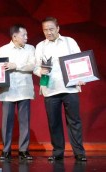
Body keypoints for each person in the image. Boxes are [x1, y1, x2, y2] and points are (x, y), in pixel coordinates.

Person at [33, 17, 87, 161]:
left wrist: (82, 76)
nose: (48, 32)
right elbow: (36, 66)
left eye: (51, 29)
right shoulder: (40, 46)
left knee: (74, 121)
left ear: (58, 28)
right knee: (54, 122)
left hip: (70, 88)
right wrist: (40, 72)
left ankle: (79, 152)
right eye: (45, 30)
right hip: (50, 89)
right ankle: (57, 152)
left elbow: (80, 60)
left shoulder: (70, 42)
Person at [0, 24, 35, 161]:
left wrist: (15, 66)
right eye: (24, 35)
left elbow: (33, 65)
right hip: (8, 90)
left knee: (24, 121)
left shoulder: (30, 49)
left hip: (24, 89)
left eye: (26, 35)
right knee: (7, 122)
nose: (26, 37)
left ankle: (24, 150)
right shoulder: (3, 50)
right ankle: (6, 150)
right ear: (14, 36)